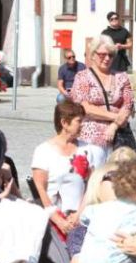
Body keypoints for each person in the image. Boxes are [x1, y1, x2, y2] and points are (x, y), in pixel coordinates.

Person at [69, 33, 135, 166]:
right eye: (102, 54)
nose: (107, 58)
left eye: (111, 55)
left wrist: (114, 126)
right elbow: (85, 108)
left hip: (119, 138)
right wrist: (116, 117)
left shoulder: (122, 77)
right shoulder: (82, 77)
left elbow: (128, 105)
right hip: (91, 139)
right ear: (93, 55)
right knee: (94, 175)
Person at [31, 100, 92, 236]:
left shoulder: (87, 149)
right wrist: (58, 220)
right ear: (64, 123)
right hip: (52, 221)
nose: (82, 125)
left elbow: (92, 185)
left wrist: (79, 214)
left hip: (80, 220)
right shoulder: (43, 151)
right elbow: (40, 189)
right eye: (79, 121)